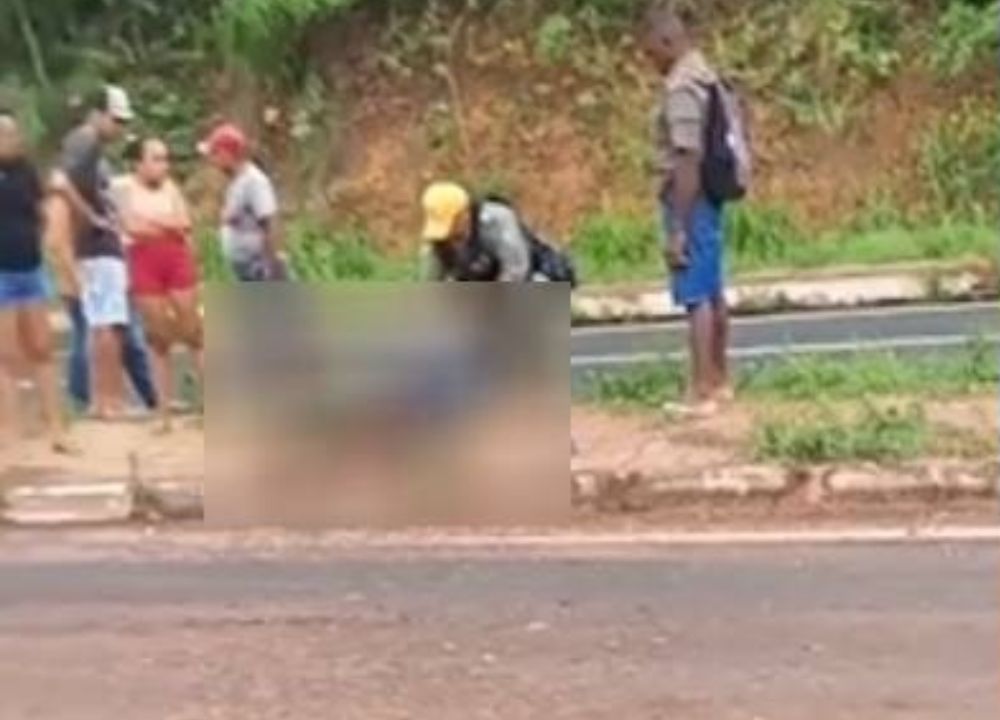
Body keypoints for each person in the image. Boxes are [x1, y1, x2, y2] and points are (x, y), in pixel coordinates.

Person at [644, 6, 735, 417]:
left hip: (689, 198)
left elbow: (687, 157)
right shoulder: (706, 75)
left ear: (667, 42)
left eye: (651, 52)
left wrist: (677, 228)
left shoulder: (681, 87)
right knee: (713, 288)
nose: (649, 61)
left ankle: (701, 392)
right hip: (709, 198)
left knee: (695, 292)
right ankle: (719, 381)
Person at [52, 84, 157, 418]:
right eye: (116, 120)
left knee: (104, 325)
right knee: (108, 326)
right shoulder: (85, 142)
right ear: (97, 115)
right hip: (98, 247)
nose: (120, 129)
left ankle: (104, 400)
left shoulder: (88, 147)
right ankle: (108, 401)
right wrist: (92, 217)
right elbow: (60, 183)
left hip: (97, 246)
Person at [114, 137, 203, 431]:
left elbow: (184, 222)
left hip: (175, 257)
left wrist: (155, 224)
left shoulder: (171, 188)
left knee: (193, 330)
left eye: (165, 159)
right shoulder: (125, 188)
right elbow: (131, 226)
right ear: (139, 163)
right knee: (158, 337)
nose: (163, 165)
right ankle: (162, 413)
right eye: (156, 159)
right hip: (144, 261)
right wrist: (165, 224)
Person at [0, 111, 74, 453]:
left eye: (14, 133)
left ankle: (56, 430)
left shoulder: (26, 170)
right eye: (5, 134)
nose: (12, 140)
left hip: (30, 269)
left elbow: (42, 210)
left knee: (42, 349)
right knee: (7, 356)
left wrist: (50, 243)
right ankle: (10, 433)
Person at [199, 123, 288, 282]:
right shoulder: (236, 181)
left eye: (214, 154)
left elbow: (270, 223)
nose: (212, 161)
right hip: (245, 269)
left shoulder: (254, 182)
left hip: (259, 269)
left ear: (227, 154)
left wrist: (273, 266)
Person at [420, 182, 558, 283]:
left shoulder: (496, 220)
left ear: (464, 215)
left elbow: (516, 270)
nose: (448, 236)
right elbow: (434, 281)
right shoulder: (439, 241)